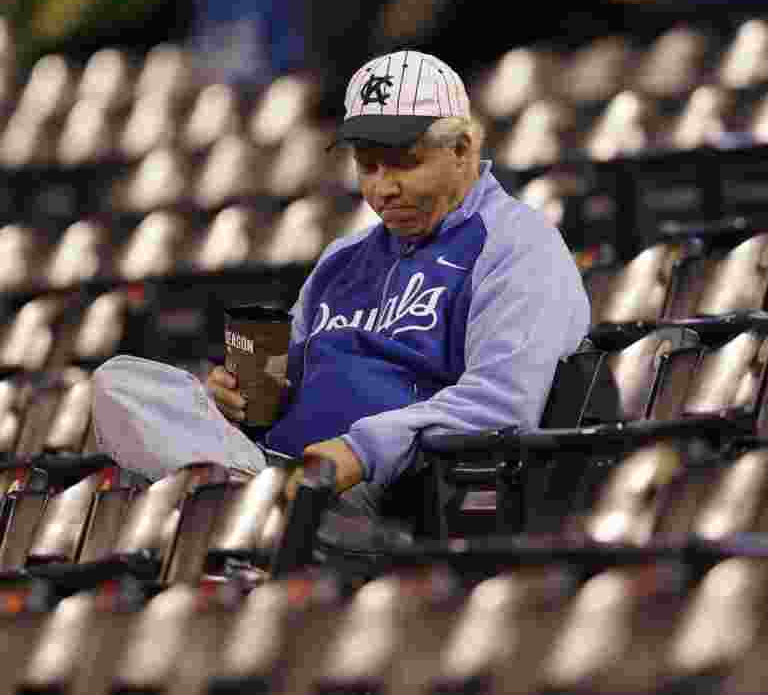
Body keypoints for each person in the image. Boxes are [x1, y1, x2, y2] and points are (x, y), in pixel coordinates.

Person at [91, 50, 591, 521]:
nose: (381, 188)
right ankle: (251, 497)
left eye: (403, 163)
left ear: (461, 150)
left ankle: (243, 505)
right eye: (366, 165)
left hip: (383, 491)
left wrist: (360, 450)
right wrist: (243, 400)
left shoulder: (517, 246)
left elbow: (501, 405)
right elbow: (292, 382)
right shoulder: (342, 259)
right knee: (120, 382)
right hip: (279, 465)